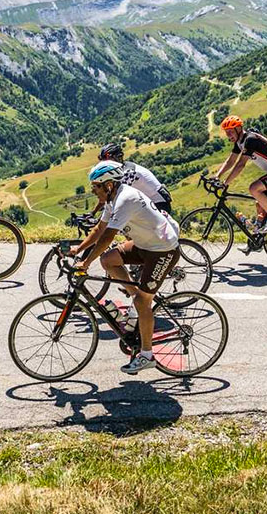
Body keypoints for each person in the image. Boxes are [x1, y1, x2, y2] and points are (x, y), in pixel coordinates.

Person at [66, 160, 181, 375]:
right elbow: (100, 229)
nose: (93, 192)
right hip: (144, 245)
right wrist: (78, 249)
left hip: (163, 250)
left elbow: (109, 235)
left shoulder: (125, 199)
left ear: (108, 185)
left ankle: (147, 355)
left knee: (141, 301)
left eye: (96, 187)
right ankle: (137, 309)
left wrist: (86, 262)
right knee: (108, 260)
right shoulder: (112, 199)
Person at [209, 115, 267, 233]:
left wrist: (225, 183)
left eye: (230, 132)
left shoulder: (250, 140)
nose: (228, 135)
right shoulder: (240, 142)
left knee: (254, 188)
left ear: (239, 129)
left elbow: (240, 165)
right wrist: (217, 176)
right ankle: (256, 241)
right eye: (226, 132)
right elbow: (231, 161)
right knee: (260, 204)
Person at [96, 143, 172, 214]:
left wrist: (99, 219)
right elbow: (109, 194)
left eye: (107, 159)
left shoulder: (128, 172)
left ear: (118, 157)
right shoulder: (120, 169)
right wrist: (93, 213)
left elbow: (116, 196)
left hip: (159, 203)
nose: (105, 164)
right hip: (148, 203)